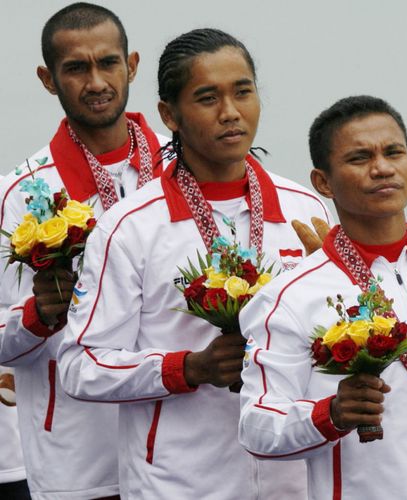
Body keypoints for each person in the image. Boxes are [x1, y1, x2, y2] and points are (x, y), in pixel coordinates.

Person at [57, 28, 329, 498]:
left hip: (294, 480)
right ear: (170, 115)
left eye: (243, 92)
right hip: (179, 482)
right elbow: (80, 365)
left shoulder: (308, 210)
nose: (231, 112)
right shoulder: (131, 227)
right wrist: (189, 368)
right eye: (207, 97)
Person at [237, 95, 407, 500]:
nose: (382, 168)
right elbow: (256, 425)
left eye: (394, 152)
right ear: (323, 182)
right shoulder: (291, 296)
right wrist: (331, 414)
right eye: (360, 158)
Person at [0, 3, 167, 498]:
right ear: (48, 79)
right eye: (76, 68)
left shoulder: (187, 170)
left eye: (108, 63)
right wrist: (37, 315)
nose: (96, 82)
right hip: (78, 459)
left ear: (132, 65)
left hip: (181, 451)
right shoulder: (21, 193)